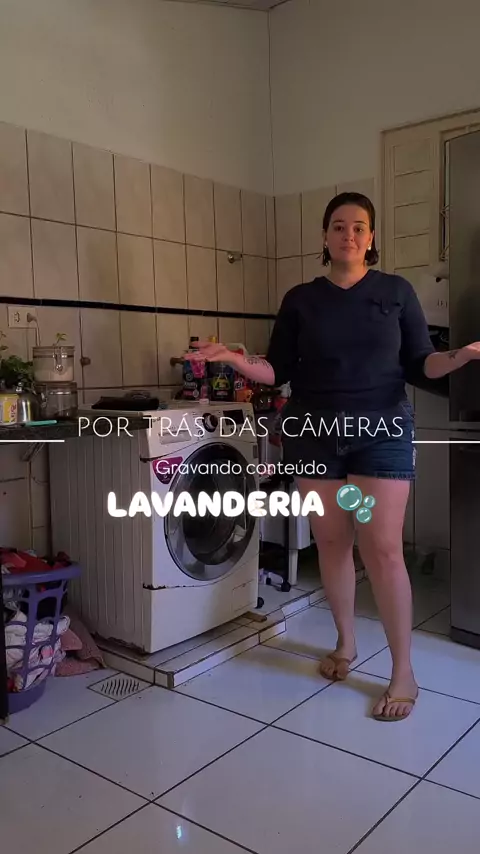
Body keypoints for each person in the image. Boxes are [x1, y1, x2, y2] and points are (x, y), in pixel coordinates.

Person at [189, 191, 480, 722]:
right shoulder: (301, 299)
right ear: (325, 236)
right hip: (314, 432)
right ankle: (345, 643)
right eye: (339, 226)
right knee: (331, 541)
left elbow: (420, 363)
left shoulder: (396, 292)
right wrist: (233, 357)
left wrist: (458, 357)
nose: (349, 235)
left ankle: (403, 672)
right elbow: (277, 370)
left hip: (381, 432)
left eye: (359, 227)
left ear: (371, 238)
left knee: (382, 548)